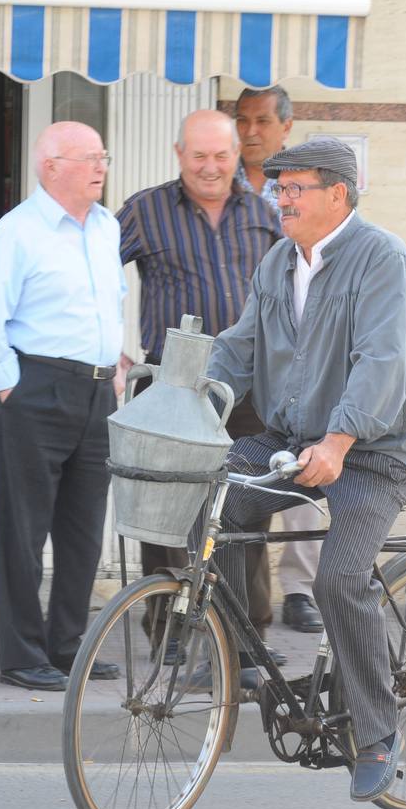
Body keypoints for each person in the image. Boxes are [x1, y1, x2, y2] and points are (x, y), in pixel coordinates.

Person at [206, 138, 406, 802]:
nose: (281, 200)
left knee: (339, 576)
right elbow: (240, 345)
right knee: (214, 503)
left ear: (338, 193)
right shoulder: (280, 262)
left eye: (294, 188)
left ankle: (376, 733)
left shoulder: (382, 259)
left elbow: (382, 362)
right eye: (277, 189)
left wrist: (338, 441)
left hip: (377, 448)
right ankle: (242, 661)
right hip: (295, 438)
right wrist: (183, 398)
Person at [116, 110, 286, 669]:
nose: (210, 167)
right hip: (172, 385)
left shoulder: (263, 214)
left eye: (221, 155)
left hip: (247, 390)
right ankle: (169, 630)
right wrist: (106, 341)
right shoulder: (146, 210)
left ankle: (247, 636)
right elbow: (92, 270)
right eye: (199, 156)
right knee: (166, 510)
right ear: (178, 152)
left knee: (248, 510)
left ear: (237, 154)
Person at [0, 121, 129, 692]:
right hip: (36, 389)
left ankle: (66, 646)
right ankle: (21, 655)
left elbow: (109, 306)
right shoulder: (16, 233)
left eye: (102, 157)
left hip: (96, 391)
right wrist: (11, 387)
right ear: (50, 166)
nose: (100, 167)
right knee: (24, 529)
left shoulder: (106, 228)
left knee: (83, 531)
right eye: (89, 158)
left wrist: (115, 368)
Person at [233, 84, 325, 636]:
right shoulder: (226, 184)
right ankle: (243, 604)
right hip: (248, 356)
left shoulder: (298, 189)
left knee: (304, 464)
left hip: (297, 356)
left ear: (285, 126)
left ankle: (299, 589)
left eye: (262, 120)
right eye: (242, 120)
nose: (251, 131)